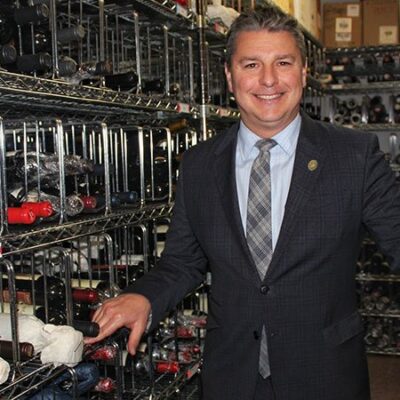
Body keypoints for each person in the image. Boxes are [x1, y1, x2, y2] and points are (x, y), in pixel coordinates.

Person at [85, 4, 400, 400]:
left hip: (324, 373)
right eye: (251, 65)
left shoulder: (354, 156)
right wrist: (144, 296)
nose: (268, 79)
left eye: (283, 62)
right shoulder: (200, 164)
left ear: (303, 72)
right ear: (230, 77)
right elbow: (183, 260)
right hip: (232, 374)